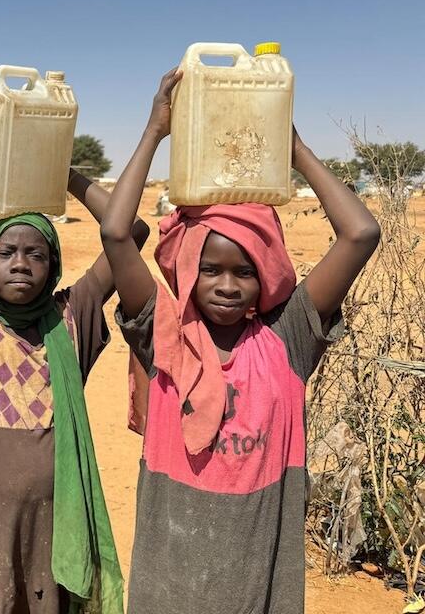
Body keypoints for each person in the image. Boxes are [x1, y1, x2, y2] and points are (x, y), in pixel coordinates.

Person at [99, 69, 381, 614]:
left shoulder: (286, 340)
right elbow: (115, 233)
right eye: (210, 270)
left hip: (257, 587)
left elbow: (361, 233)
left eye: (244, 272)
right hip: (168, 584)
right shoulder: (166, 335)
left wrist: (292, 148)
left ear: (266, 277)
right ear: (187, 271)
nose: (227, 286)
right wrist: (157, 130)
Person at [0, 70, 148, 613]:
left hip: (55, 536)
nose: (22, 264)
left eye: (37, 253)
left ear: (54, 265)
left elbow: (133, 231)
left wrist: (61, 172)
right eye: (7, 253)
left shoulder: (72, 315)